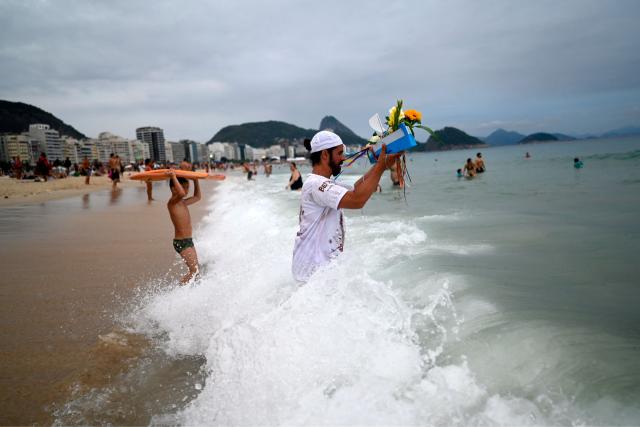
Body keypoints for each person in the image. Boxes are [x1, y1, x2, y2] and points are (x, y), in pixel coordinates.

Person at [292, 130, 402, 282]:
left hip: (314, 274)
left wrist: (381, 165)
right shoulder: (316, 185)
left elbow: (356, 189)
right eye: (339, 153)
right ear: (325, 155)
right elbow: (357, 200)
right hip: (311, 276)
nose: (343, 158)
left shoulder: (322, 183)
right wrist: (381, 166)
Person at [166, 170, 201, 284]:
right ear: (173, 188)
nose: (186, 191)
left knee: (196, 269)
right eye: (184, 187)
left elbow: (197, 197)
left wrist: (196, 181)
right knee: (194, 270)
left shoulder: (183, 202)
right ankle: (179, 290)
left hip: (188, 240)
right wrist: (173, 176)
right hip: (180, 242)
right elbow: (180, 193)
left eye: (187, 188)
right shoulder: (172, 203)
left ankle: (191, 290)